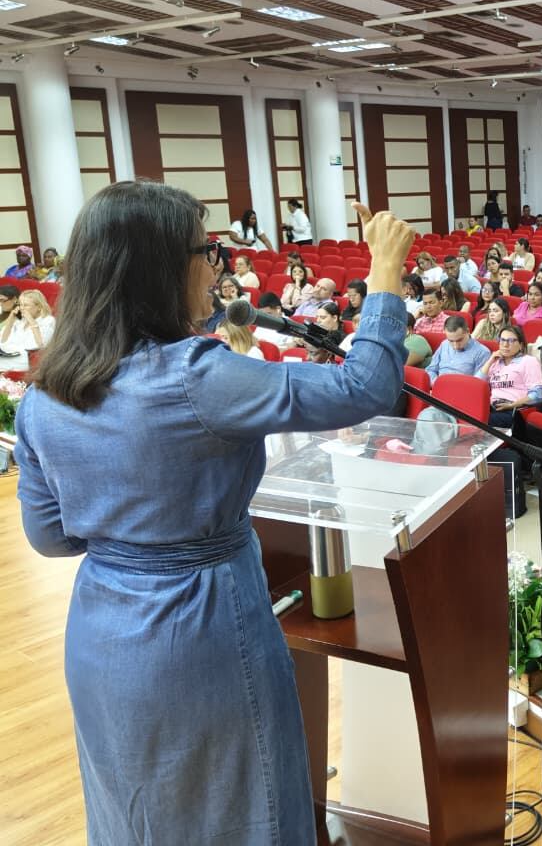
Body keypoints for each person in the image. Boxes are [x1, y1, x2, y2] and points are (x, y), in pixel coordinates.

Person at [15, 185, 411, 844]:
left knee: (134, 810)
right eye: (208, 252)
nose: (218, 268)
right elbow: (363, 386)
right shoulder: (195, 376)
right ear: (164, 268)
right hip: (202, 625)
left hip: (102, 636)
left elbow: (51, 537)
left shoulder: (46, 394)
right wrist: (386, 274)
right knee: (242, 804)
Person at [478, 323, 542, 428]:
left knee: (478, 420)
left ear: (521, 345)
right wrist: (490, 361)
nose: (505, 344)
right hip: (491, 407)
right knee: (466, 415)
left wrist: (512, 405)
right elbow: (476, 384)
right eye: (502, 340)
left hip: (514, 411)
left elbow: (538, 394)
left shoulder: (528, 361)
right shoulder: (495, 362)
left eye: (511, 341)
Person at [426, 315, 490, 381]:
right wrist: (436, 383)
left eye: (459, 340)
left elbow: (478, 383)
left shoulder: (482, 352)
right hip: (438, 386)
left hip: (462, 389)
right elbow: (431, 369)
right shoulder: (444, 344)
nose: (455, 346)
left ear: (467, 331)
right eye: (451, 341)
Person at [0, 289, 56, 353]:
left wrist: (31, 320)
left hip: (24, 357)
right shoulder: (22, 320)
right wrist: (11, 319)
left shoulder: (48, 320)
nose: (22, 308)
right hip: (9, 353)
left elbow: (41, 344)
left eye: (26, 305)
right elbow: (2, 340)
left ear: (39, 307)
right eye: (21, 305)